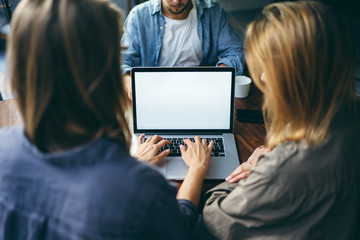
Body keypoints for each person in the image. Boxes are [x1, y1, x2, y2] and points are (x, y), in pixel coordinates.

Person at [0, 0, 214, 239]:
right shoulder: (143, 189)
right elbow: (181, 228)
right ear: (107, 75)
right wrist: (196, 170)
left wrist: (133, 167)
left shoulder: (3, 148)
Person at [195, 1, 360, 239]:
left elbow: (214, 218)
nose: (261, 76)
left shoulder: (283, 169)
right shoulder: (350, 118)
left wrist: (249, 169)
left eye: (269, 67)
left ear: (299, 75)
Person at [121, 0, 245, 99]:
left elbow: (235, 50)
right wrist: (128, 82)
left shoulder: (213, 12)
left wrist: (219, 74)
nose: (176, 2)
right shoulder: (138, 16)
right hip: (155, 92)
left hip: (203, 91)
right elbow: (123, 62)